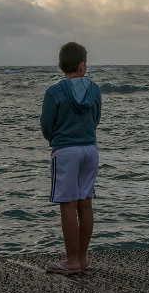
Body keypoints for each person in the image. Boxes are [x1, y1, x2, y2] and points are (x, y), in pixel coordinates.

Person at [40, 41, 102, 275]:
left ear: (60, 65)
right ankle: (82, 258)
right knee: (85, 203)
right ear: (82, 65)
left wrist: (54, 140)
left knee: (68, 204)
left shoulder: (54, 91)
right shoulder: (94, 89)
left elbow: (46, 125)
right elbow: (96, 117)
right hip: (89, 149)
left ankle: (71, 260)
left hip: (66, 150)